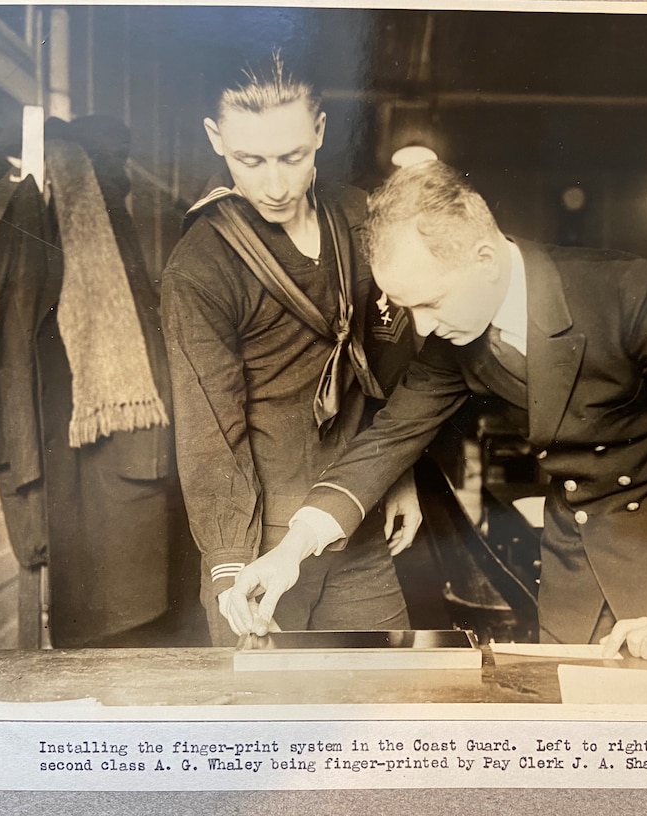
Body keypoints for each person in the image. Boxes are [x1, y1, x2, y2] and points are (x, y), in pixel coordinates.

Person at [219, 161, 647, 661]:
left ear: (484, 257)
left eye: (431, 302)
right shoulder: (454, 335)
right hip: (576, 550)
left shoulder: (628, 293)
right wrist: (288, 553)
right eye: (409, 308)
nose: (423, 328)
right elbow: (389, 437)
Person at [160, 55, 421, 645]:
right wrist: (229, 567)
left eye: (292, 157)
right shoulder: (201, 267)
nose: (274, 186)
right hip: (258, 543)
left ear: (321, 133)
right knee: (266, 719)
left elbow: (384, 363)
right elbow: (209, 431)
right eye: (249, 161)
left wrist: (398, 475)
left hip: (356, 525)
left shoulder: (356, 216)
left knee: (389, 707)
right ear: (215, 138)